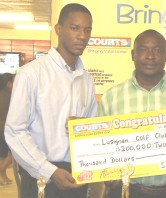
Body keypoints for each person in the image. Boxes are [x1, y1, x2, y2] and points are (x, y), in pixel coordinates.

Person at [98, 29, 166, 198]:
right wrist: (107, 174)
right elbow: (99, 148)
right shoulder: (111, 98)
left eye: (157, 50)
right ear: (133, 55)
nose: (150, 56)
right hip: (123, 192)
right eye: (143, 50)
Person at [5, 3, 97, 198]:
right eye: (75, 28)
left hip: (76, 177)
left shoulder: (86, 80)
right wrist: (49, 171)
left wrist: (85, 128)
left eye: (87, 30)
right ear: (59, 29)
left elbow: (92, 131)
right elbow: (15, 131)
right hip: (41, 176)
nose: (82, 36)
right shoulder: (31, 74)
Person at [0, 73, 14, 185]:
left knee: (3, 154)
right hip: (4, 128)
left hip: (2, 128)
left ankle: (3, 176)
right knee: (15, 153)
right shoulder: (9, 95)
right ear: (8, 83)